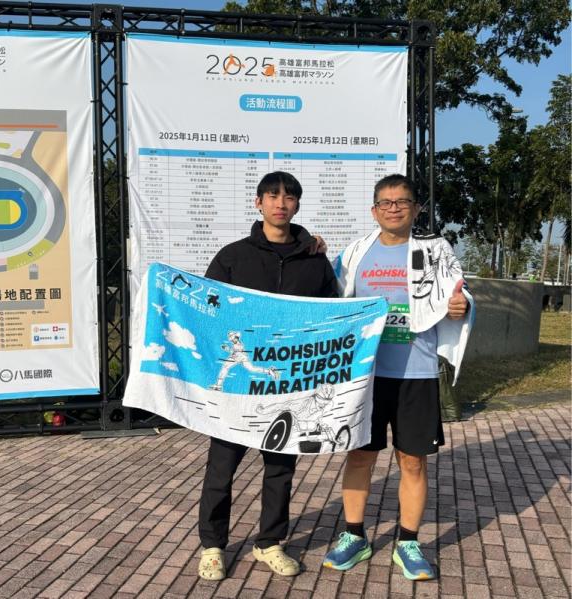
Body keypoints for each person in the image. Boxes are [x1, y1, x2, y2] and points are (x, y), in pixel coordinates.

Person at [323, 174, 473, 581]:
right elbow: (327, 295)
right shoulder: (355, 253)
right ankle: (355, 535)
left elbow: (459, 292)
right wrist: (314, 251)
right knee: (359, 455)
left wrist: (460, 305)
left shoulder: (436, 250)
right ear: (374, 210)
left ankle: (408, 542)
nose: (394, 208)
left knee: (412, 461)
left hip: (416, 373)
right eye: (386, 202)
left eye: (402, 201)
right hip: (366, 376)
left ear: (416, 208)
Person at [197, 171, 337, 580]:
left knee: (280, 471)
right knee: (220, 471)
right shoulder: (232, 256)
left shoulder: (314, 260)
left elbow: (331, 316)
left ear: (297, 205)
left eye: (289, 197)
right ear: (258, 203)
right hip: (238, 390)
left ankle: (269, 542)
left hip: (286, 385)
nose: (280, 203)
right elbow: (208, 312)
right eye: (272, 196)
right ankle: (212, 546)